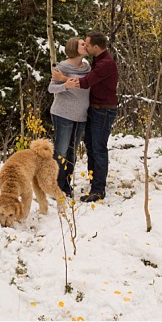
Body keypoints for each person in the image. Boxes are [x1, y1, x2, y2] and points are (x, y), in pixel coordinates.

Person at [65, 31, 118, 203]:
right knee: (91, 147)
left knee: (98, 149)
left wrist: (62, 79)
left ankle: (98, 190)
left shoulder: (105, 64)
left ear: (96, 47)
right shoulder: (98, 60)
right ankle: (95, 182)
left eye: (87, 44)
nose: (85, 47)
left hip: (103, 111)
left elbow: (86, 82)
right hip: (95, 110)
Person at [48, 37, 90, 198]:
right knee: (61, 151)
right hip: (63, 114)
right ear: (74, 47)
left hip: (81, 116)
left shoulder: (87, 67)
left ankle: (66, 185)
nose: (85, 46)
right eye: (82, 44)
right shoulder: (63, 67)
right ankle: (55, 186)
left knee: (72, 152)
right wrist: (65, 86)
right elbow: (51, 88)